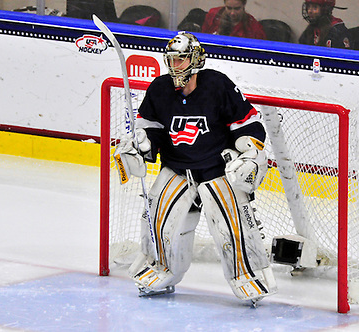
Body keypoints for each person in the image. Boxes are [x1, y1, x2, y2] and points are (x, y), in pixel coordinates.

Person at [116, 32, 277, 303]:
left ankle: (247, 275)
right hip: (177, 169)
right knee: (157, 222)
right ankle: (162, 269)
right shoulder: (159, 89)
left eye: (181, 59)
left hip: (216, 171)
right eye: (172, 60)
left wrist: (249, 148)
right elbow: (151, 129)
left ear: (196, 59)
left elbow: (247, 123)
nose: (176, 65)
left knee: (232, 228)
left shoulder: (217, 85)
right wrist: (143, 145)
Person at [201, 0, 267, 39]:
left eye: (237, 9)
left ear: (244, 5)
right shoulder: (212, 16)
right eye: (229, 8)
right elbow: (203, 38)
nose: (232, 13)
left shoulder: (253, 27)